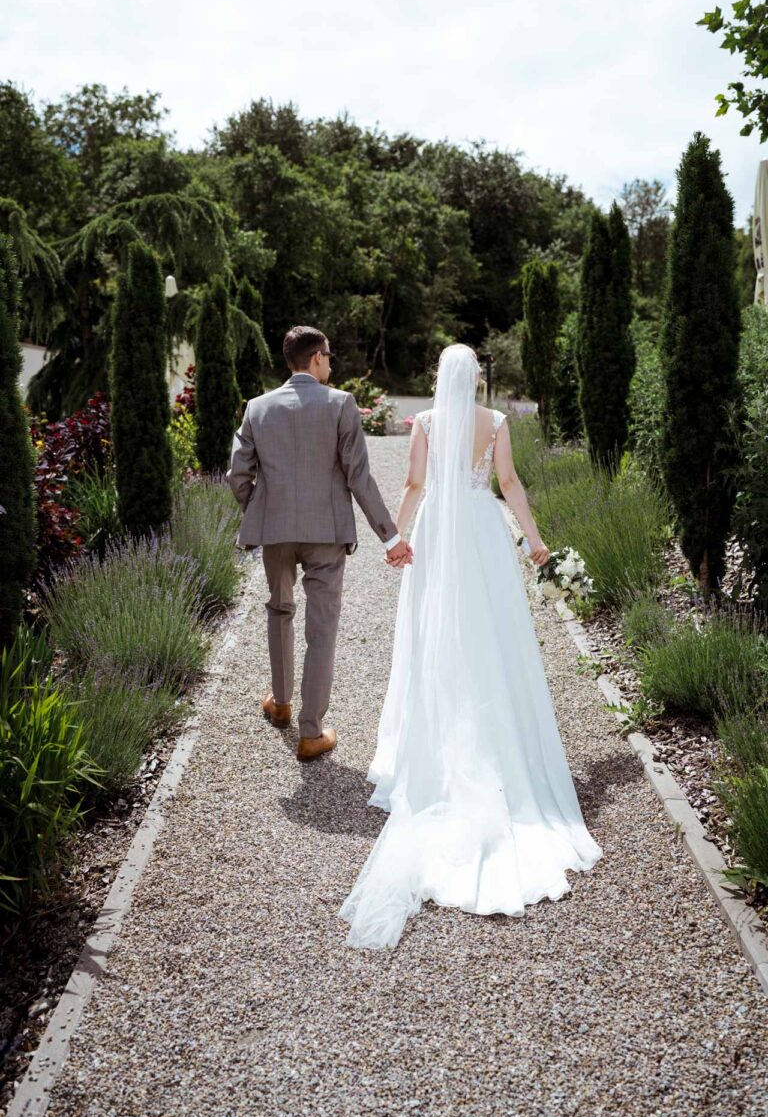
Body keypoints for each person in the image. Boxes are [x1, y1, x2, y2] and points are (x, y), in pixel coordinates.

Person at [339, 343, 603, 948]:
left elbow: (412, 482)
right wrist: (535, 541)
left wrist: (396, 537)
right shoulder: (498, 423)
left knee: (436, 631)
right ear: (476, 378)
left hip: (438, 529)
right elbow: (508, 482)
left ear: (438, 380)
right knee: (493, 632)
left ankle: (439, 733)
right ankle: (498, 735)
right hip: (482, 531)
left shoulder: (427, 423)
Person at [227, 325, 412, 762]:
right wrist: (392, 536)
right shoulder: (341, 404)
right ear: (315, 358)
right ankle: (311, 732)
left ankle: (281, 704)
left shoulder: (257, 407)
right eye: (329, 355)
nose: (331, 363)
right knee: (322, 628)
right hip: (326, 534)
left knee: (278, 611)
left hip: (275, 533)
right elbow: (358, 477)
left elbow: (238, 475)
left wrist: (262, 507)